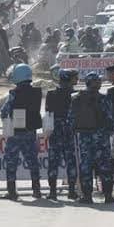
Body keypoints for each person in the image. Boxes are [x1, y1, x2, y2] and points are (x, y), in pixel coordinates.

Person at [69, 72, 114, 204]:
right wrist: (111, 130)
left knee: (86, 167)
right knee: (105, 166)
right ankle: (108, 196)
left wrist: (73, 130)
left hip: (84, 137)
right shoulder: (104, 98)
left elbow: (71, 119)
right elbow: (110, 117)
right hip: (102, 138)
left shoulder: (76, 97)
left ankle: (87, 196)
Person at [0, 64, 42, 200]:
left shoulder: (14, 93)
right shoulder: (36, 93)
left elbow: (4, 111)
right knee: (32, 161)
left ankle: (12, 192)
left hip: (16, 133)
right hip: (30, 131)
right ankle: (37, 190)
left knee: (11, 161)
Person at [45, 69, 79, 200]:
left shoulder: (51, 94)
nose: (77, 80)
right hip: (70, 130)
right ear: (68, 79)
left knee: (53, 161)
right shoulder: (75, 94)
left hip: (55, 129)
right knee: (71, 161)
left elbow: (48, 111)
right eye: (74, 77)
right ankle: (71, 191)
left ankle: (53, 192)